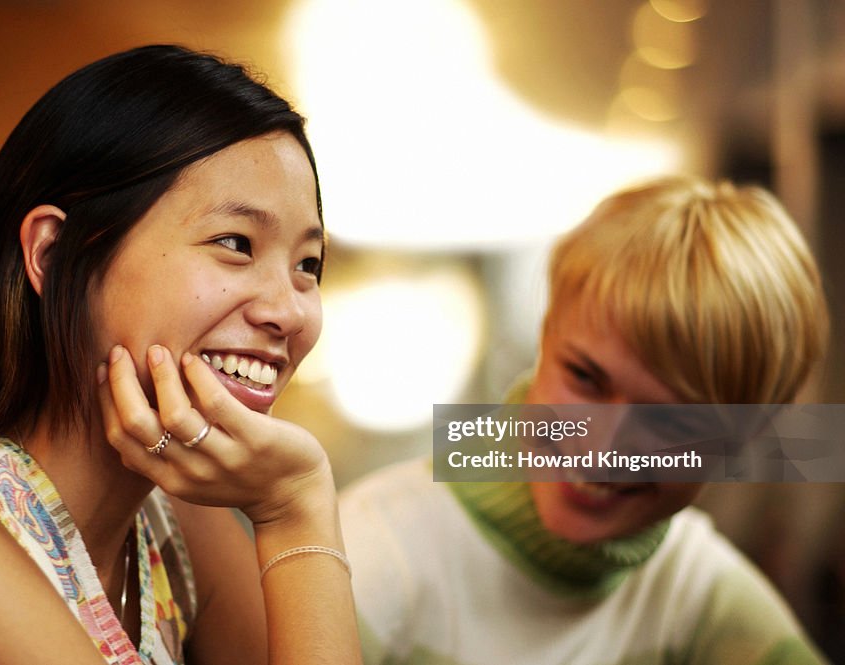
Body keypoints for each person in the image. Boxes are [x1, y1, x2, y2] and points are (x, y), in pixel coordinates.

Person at [0, 45, 360, 665]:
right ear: (53, 255)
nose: (288, 312)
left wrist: (293, 505)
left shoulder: (172, 522)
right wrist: (295, 508)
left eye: (308, 265)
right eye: (235, 243)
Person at [340, 176, 831, 664]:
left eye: (672, 422)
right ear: (544, 334)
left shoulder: (698, 593)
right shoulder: (373, 549)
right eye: (584, 378)